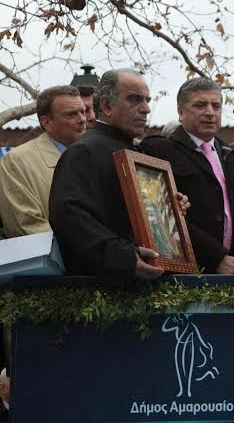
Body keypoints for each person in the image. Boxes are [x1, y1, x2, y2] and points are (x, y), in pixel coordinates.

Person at [49, 69, 188, 280]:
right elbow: (71, 219)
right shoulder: (85, 151)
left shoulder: (136, 151)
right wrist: (124, 257)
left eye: (147, 100)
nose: (146, 109)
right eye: (135, 99)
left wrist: (170, 208)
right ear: (106, 106)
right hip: (103, 291)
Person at [139, 78, 234, 275]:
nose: (210, 112)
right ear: (181, 112)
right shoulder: (158, 151)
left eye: (216, 106)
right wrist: (216, 258)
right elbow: (164, 216)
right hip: (187, 275)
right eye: (200, 105)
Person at [0, 86, 86, 237]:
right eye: (71, 114)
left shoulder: (95, 155)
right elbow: (25, 226)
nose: (82, 119)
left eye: (83, 111)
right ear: (46, 123)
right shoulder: (17, 161)